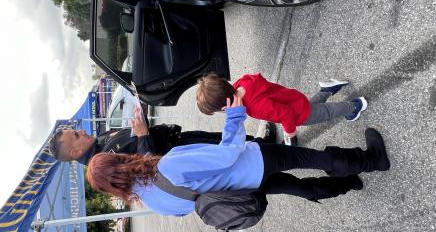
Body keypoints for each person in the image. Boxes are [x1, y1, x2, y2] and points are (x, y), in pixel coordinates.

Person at [86, 95, 390, 217]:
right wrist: (234, 115)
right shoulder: (167, 165)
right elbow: (226, 155)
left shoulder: (152, 202)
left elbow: (186, 209)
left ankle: (350, 183)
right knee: (312, 159)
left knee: (299, 189)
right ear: (120, 159)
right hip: (255, 162)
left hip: (246, 191)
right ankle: (372, 160)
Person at [49, 106, 276, 165]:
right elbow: (145, 165)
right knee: (224, 147)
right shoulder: (101, 164)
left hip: (175, 139)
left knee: (219, 137)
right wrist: (143, 136)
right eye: (76, 135)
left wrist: (140, 116)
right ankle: (268, 153)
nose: (81, 131)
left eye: (76, 130)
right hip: (177, 153)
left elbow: (135, 134)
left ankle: (262, 144)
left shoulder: (98, 142)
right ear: (76, 151)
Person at [196, 73, 367, 145]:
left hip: (298, 113)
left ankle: (355, 105)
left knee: (326, 112)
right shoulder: (242, 82)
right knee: (312, 105)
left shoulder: (254, 107)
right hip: (293, 98)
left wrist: (290, 134)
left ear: (225, 107)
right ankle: (329, 89)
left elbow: (285, 114)